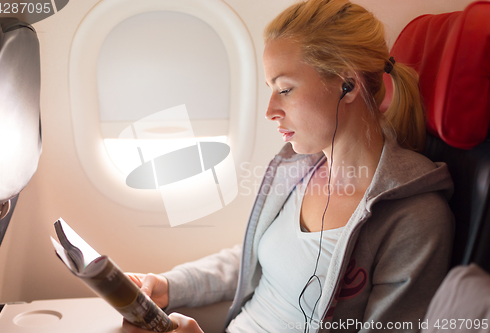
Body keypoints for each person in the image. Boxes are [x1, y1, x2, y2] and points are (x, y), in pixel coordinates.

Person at [123, 0, 454, 332]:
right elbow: (255, 259)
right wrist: (168, 284)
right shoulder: (299, 169)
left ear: (347, 85)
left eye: (285, 89)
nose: (270, 111)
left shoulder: (414, 217)